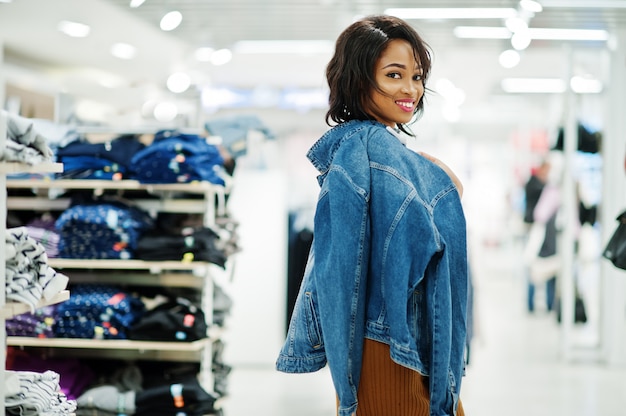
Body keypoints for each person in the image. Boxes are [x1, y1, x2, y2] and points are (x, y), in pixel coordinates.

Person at [276, 15, 468, 416]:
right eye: (394, 74)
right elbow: (339, 269)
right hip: (386, 342)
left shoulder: (376, 152)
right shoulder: (365, 152)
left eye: (417, 76)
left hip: (394, 335)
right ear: (359, 78)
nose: (410, 89)